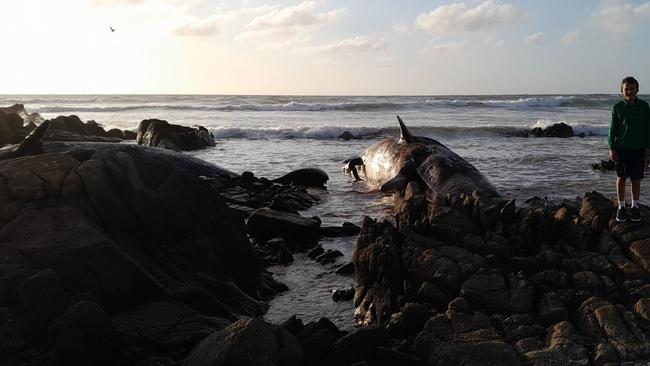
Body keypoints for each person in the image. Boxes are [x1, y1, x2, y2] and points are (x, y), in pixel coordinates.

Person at [608, 76, 650, 222]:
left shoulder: (644, 106)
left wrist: (648, 147)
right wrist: (611, 147)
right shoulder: (617, 108)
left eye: (632, 89)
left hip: (638, 148)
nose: (630, 91)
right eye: (626, 89)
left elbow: (648, 128)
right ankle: (621, 207)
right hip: (621, 148)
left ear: (637, 90)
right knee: (621, 178)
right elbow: (612, 129)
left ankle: (635, 206)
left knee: (636, 179)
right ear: (622, 91)